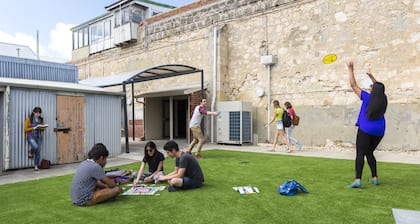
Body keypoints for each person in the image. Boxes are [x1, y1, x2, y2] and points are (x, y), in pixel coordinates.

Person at [347, 62, 387, 188]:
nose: (370, 87)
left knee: (360, 153)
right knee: (369, 152)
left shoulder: (367, 97)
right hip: (379, 130)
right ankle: (375, 177)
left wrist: (350, 70)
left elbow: (353, 85)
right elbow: (379, 87)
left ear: (373, 90)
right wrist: (371, 76)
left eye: (371, 86)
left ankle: (357, 179)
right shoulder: (384, 98)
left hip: (366, 129)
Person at [24, 107, 47, 171]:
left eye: (39, 113)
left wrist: (42, 127)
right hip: (30, 136)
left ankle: (36, 166)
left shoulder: (41, 119)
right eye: (37, 113)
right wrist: (34, 128)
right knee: (35, 147)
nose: (38, 115)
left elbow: (43, 129)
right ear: (33, 112)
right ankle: (31, 151)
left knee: (38, 151)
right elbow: (25, 129)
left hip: (39, 137)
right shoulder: (29, 119)